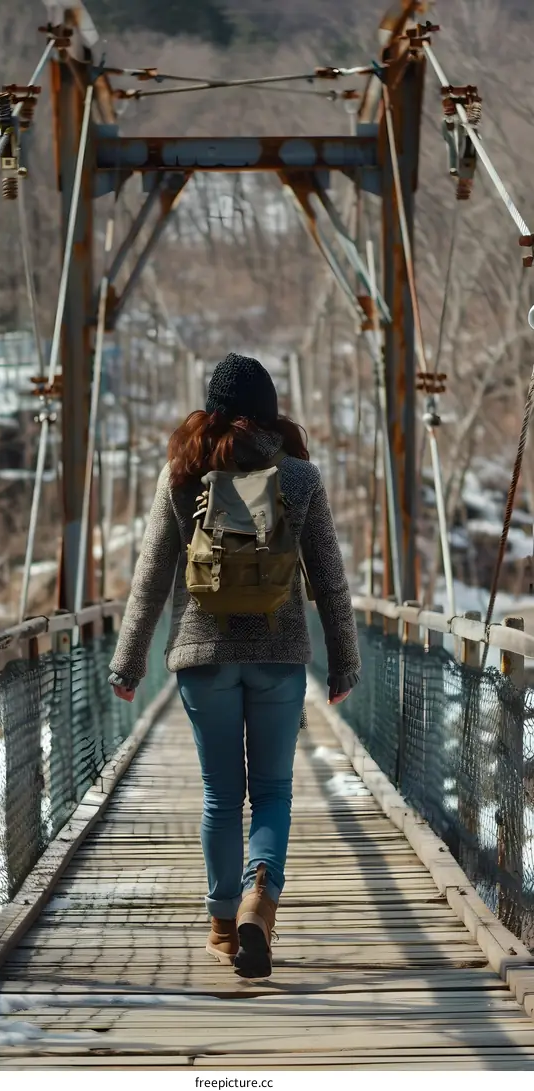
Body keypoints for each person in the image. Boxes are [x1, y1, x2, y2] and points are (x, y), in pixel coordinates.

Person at [109, 352, 360, 979]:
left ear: (213, 409)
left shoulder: (184, 476)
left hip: (202, 656)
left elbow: (148, 581)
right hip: (278, 660)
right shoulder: (299, 477)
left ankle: (223, 925)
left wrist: (128, 662)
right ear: (272, 412)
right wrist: (345, 665)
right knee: (272, 791)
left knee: (222, 794)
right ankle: (260, 897)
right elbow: (329, 582)